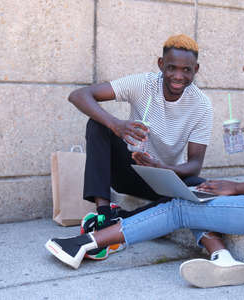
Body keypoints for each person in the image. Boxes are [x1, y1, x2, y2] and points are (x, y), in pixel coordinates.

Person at [46, 20, 244, 288]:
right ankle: (223, 260)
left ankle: (86, 243)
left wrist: (234, 187)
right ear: (161, 65)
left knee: (183, 206)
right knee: (197, 195)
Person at [67, 34, 213, 260]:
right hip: (129, 170)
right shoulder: (143, 84)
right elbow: (79, 95)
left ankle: (124, 219)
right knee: (98, 125)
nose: (178, 76)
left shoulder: (201, 105)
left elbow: (194, 165)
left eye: (187, 70)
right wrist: (116, 125)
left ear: (196, 69)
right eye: (172, 68)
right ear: (161, 64)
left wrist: (162, 167)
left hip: (163, 180)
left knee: (201, 188)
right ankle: (104, 215)